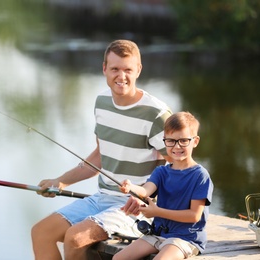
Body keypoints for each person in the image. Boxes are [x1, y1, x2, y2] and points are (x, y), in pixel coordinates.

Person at [31, 39, 172, 260]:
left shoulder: (156, 114)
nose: (121, 76)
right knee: (41, 232)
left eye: (128, 70)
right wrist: (60, 182)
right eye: (115, 69)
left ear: (139, 70)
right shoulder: (102, 102)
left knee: (75, 238)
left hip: (138, 209)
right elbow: (99, 157)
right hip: (102, 198)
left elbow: (178, 167)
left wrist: (147, 195)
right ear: (104, 68)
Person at [113, 111, 214, 260]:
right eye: (171, 141)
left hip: (186, 238)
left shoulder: (200, 176)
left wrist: (157, 212)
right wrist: (131, 187)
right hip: (158, 234)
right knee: (118, 258)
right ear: (164, 140)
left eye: (183, 141)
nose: (177, 146)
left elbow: (194, 215)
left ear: (195, 141)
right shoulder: (161, 172)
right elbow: (146, 190)